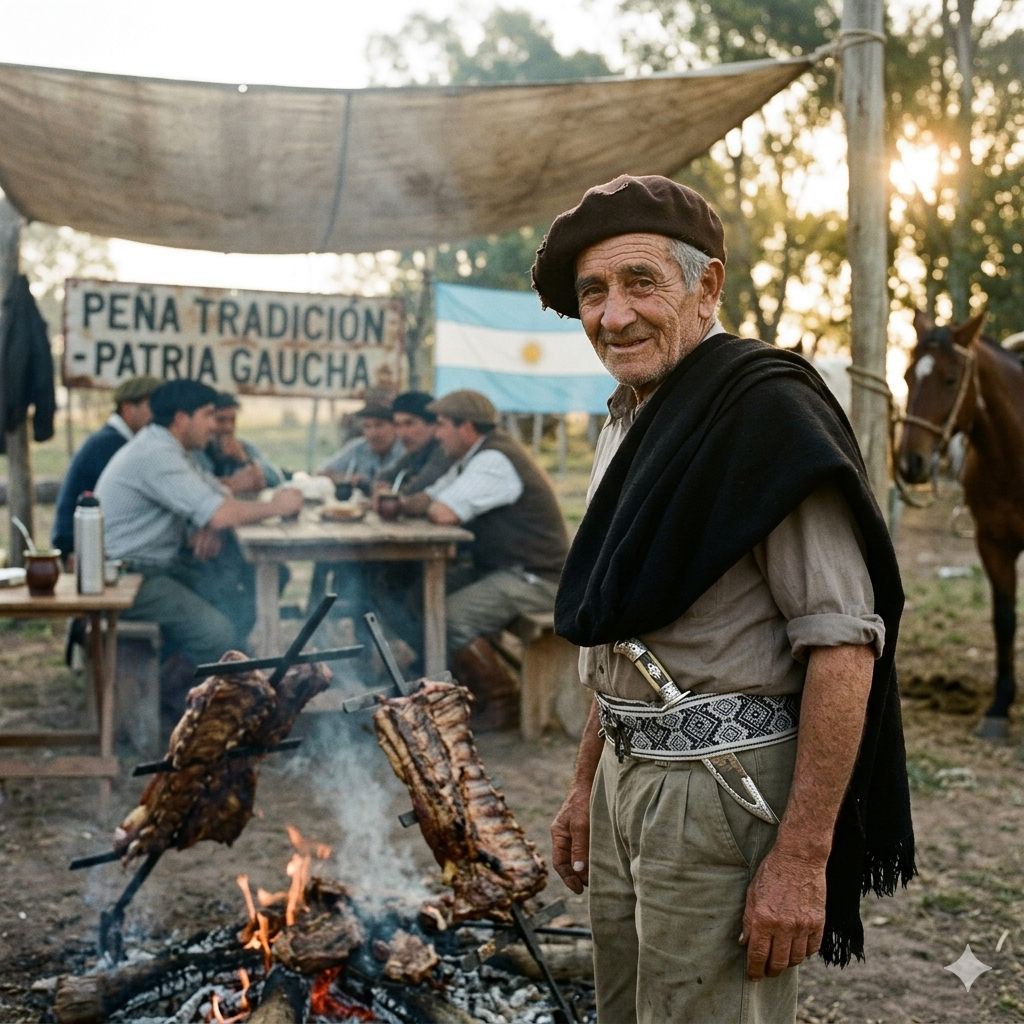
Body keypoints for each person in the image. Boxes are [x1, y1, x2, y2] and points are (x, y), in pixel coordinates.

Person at [533, 175, 914, 1023]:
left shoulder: (763, 420)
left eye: (640, 282)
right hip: (628, 781)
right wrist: (584, 785)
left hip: (722, 793)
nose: (613, 315)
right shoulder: (629, 417)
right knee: (627, 1010)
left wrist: (802, 855)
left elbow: (844, 643)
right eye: (592, 293)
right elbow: (621, 623)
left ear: (706, 287)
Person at [96, 380, 302, 711]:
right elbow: (220, 510)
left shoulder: (169, 448)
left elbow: (216, 496)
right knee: (216, 633)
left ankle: (184, 685)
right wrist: (276, 507)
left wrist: (212, 520)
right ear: (181, 418)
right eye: (207, 415)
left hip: (156, 566)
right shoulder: (157, 454)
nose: (213, 425)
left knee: (239, 594)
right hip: (125, 576)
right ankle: (190, 713)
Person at [400, 390, 569, 729]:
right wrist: (407, 503)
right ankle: (452, 680)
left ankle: (502, 699)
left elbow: (444, 511)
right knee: (419, 596)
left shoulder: (495, 461)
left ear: (467, 428)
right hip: (505, 569)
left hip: (538, 578)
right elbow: (429, 498)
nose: (437, 434)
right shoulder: (474, 457)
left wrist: (423, 504)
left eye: (443, 426)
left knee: (450, 617)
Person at [51, 375, 161, 558]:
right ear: (127, 407)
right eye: (152, 406)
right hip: (78, 547)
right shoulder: (110, 444)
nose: (158, 414)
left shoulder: (115, 440)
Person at [191, 391, 282, 495]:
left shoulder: (245, 446)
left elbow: (276, 481)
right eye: (221, 420)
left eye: (232, 420)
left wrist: (244, 459)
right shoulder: (196, 450)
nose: (228, 428)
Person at [376, 391, 453, 495]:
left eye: (409, 424)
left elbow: (417, 489)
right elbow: (384, 478)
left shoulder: (444, 451)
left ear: (433, 425)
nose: (401, 433)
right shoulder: (416, 451)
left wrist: (388, 492)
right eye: (397, 425)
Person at [318, 401, 403, 493]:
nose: (373, 433)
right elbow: (322, 472)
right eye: (367, 426)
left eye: (379, 425)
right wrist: (348, 479)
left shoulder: (405, 450)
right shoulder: (358, 447)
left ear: (395, 427)